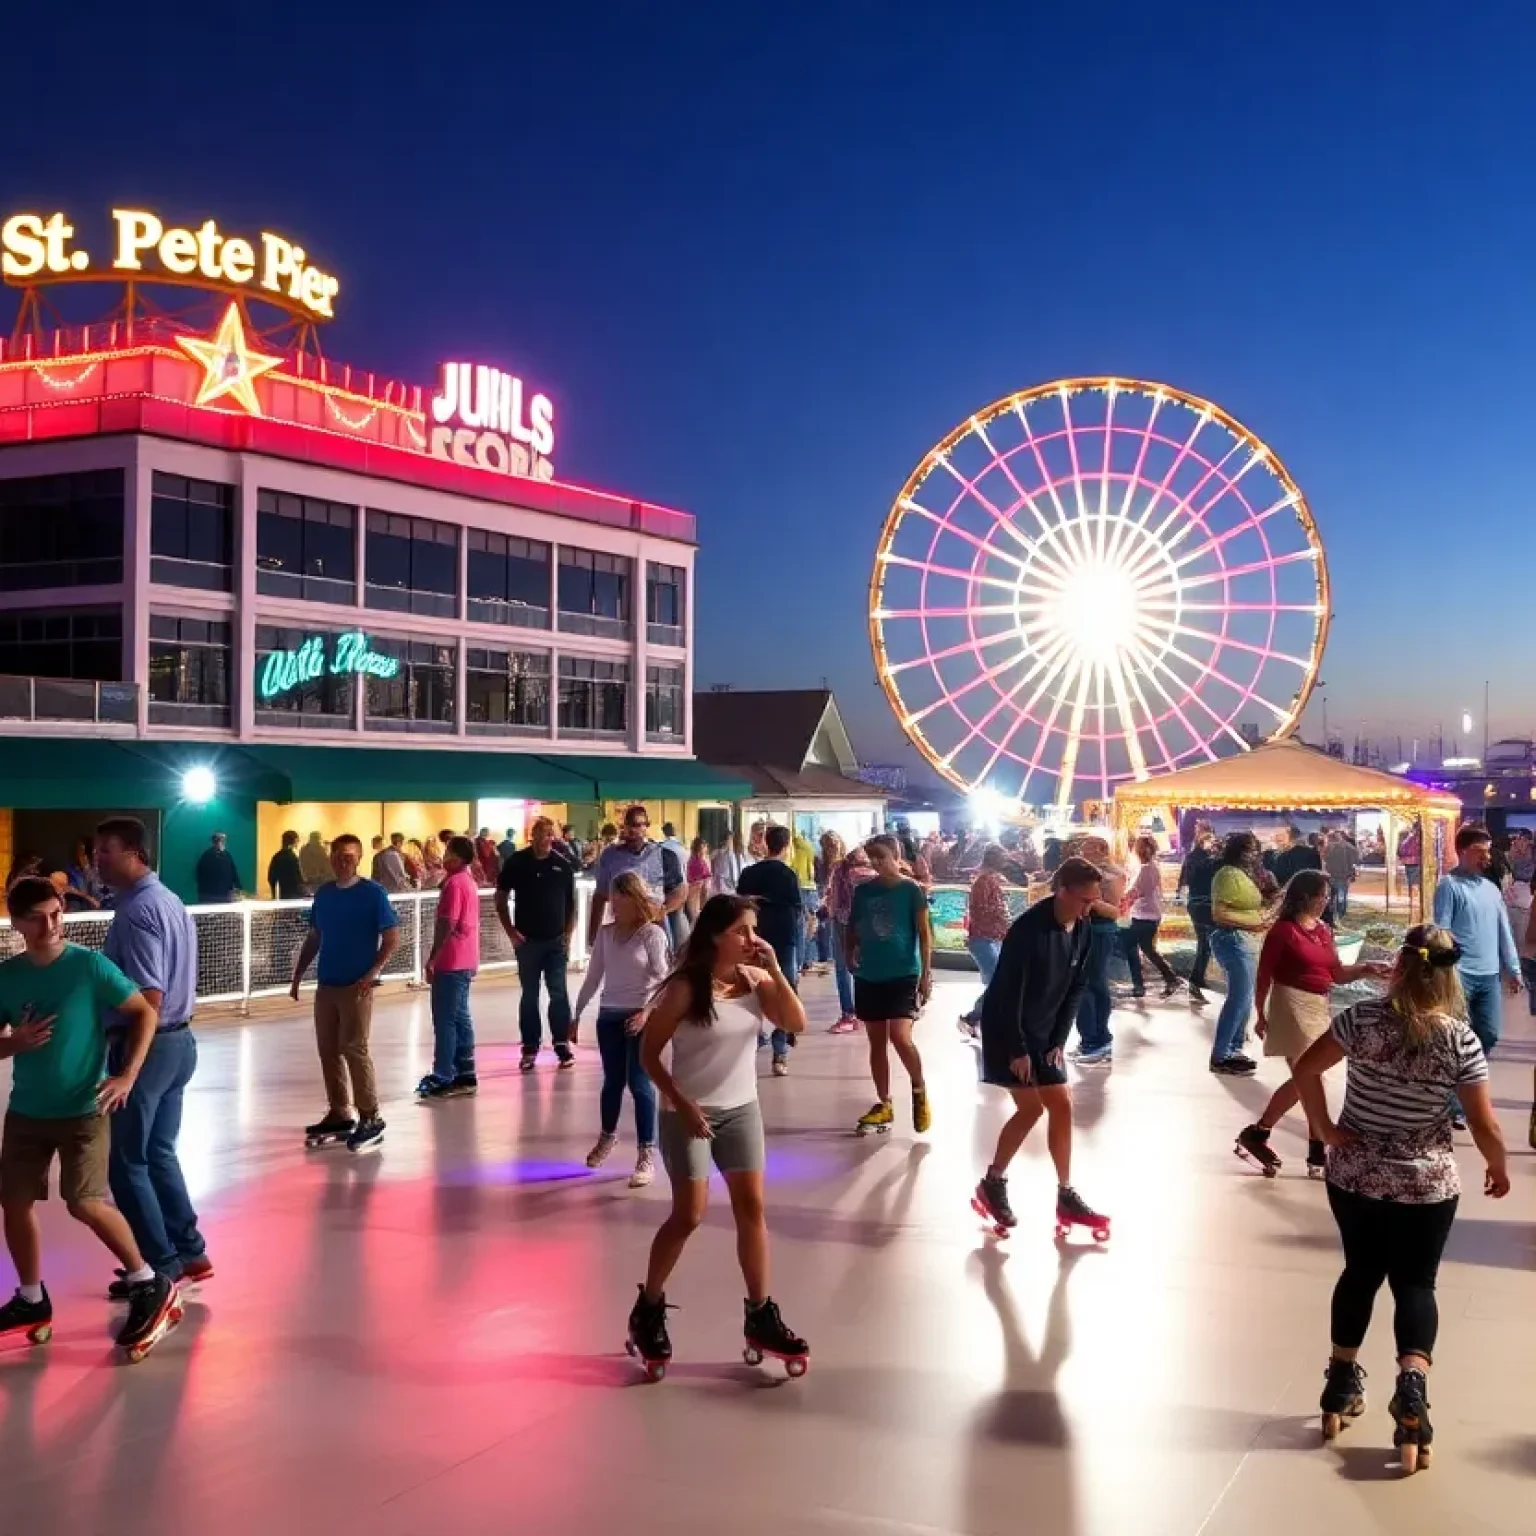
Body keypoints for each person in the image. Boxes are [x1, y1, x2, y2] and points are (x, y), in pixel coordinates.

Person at [1292, 924, 1509, 1470]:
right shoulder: (1458, 1038)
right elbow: (1483, 1123)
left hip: (1355, 1175)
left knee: (1360, 1273)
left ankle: (1340, 1382)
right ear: (1447, 975)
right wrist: (1498, 1167)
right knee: (1416, 1282)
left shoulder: (1360, 1019)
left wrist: (1322, 1126)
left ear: (1400, 967)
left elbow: (1306, 1068)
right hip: (1425, 1184)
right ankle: (1411, 1392)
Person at [628, 895, 809, 1377]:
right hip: (688, 1113)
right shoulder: (688, 988)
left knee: (752, 1208)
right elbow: (648, 1055)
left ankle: (760, 1313)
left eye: (754, 930)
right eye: (742, 932)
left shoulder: (755, 980)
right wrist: (682, 1103)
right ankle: (648, 1307)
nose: (752, 940)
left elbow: (796, 1024)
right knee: (689, 1214)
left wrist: (775, 970)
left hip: (741, 1109)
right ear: (714, 936)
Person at [0, 876, 179, 1356]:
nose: (50, 925)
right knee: (13, 1203)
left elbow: (144, 1012)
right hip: (27, 1111)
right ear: (16, 922)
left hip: (84, 1109)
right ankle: (32, 1298)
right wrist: (13, 1043)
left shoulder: (90, 967)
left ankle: (148, 1281)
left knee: (84, 1201)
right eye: (36, 917)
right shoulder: (7, 976)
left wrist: (126, 1076)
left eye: (56, 913)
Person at [95, 817, 212, 1297]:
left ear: (135, 854)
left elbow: (150, 998)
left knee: (127, 1163)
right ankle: (190, 1250)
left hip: (148, 1047)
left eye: (106, 851)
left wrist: (128, 1068)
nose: (97, 859)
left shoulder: (139, 911)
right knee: (159, 1153)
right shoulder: (171, 902)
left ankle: (160, 1266)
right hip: (179, 1046)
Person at [972, 857, 1109, 1238]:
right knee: (1031, 1108)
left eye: (1093, 902)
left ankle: (1065, 1193)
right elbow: (1006, 992)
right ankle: (992, 1183)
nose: (1088, 909)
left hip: (1045, 1031)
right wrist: (1017, 1048)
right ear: (1062, 891)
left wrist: (1059, 1040)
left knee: (1060, 1105)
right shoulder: (1028, 930)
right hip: (1008, 1030)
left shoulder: (1082, 928)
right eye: (1084, 900)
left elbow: (1077, 985)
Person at [1235, 870, 1390, 1178]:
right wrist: (1260, 1013)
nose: (1326, 902)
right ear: (1306, 896)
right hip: (1290, 1003)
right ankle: (1316, 1150)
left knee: (1308, 1077)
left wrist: (1368, 970)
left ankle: (1259, 1133)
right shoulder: (1283, 931)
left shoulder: (1322, 930)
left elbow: (1336, 973)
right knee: (1311, 1075)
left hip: (1318, 1005)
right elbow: (1264, 974)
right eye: (1323, 896)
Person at [288, 833, 399, 1153]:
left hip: (356, 986)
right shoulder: (324, 895)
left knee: (355, 1048)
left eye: (349, 856)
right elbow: (315, 936)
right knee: (328, 1050)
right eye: (337, 855)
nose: (342, 861)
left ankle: (370, 1116)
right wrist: (298, 975)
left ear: (359, 858)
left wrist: (372, 972)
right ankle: (340, 1110)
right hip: (328, 984)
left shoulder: (373, 894)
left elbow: (391, 937)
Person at [573, 872, 671, 1188]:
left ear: (635, 898)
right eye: (613, 896)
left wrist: (646, 1012)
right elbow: (593, 977)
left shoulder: (652, 935)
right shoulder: (606, 934)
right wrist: (576, 1014)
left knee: (640, 1082)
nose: (614, 902)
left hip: (640, 1014)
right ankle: (607, 1136)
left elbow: (664, 980)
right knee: (612, 1082)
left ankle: (646, 1153)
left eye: (620, 896)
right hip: (609, 1015)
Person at [847, 834, 933, 1135]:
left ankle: (919, 1088)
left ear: (896, 857)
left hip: (903, 973)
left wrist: (925, 974)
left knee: (900, 1035)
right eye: (872, 858)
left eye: (882, 857)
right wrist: (849, 952)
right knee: (876, 1041)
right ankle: (884, 1102)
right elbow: (854, 926)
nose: (877, 864)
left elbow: (923, 933)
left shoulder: (911, 891)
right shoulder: (863, 892)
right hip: (870, 973)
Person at [1432, 824, 1521, 1074]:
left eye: (1488, 852)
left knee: (1489, 1034)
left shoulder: (1491, 889)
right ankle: (1456, 1101)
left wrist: (1513, 969)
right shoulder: (1449, 885)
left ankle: (1466, 1082)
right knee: (1456, 1038)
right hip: (1460, 975)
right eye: (1479, 851)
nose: (1486, 857)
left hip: (1490, 976)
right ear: (1461, 851)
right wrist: (1443, 971)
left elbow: (1504, 931)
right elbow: (1442, 930)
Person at [497, 816, 579, 1071]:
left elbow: (571, 905)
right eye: (542, 833)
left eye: (550, 834)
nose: (547, 839)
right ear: (533, 835)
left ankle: (561, 1043)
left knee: (558, 993)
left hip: (555, 943)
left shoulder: (562, 866)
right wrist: (511, 931)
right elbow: (500, 897)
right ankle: (530, 1046)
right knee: (530, 995)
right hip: (528, 942)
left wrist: (567, 936)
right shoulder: (517, 862)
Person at [737, 825, 806, 1075]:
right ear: (786, 846)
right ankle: (780, 1054)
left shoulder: (748, 873)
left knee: (750, 990)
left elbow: (739, 907)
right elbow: (797, 911)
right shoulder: (788, 875)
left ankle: (751, 1044)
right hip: (783, 941)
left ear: (766, 843)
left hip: (752, 940)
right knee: (783, 990)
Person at [418, 836, 481, 1100]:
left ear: (456, 856)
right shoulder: (468, 881)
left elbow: (447, 922)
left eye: (448, 852)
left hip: (451, 959)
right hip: (466, 958)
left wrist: (433, 957)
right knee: (459, 1015)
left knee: (444, 1018)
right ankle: (465, 1069)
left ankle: (444, 1072)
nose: (445, 857)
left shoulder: (455, 884)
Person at [1207, 831, 1269, 1075]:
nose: (1252, 854)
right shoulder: (1226, 874)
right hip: (1234, 940)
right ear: (1236, 851)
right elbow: (1219, 914)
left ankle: (1234, 1049)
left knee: (1244, 1000)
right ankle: (1220, 1055)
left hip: (1247, 941)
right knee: (1239, 998)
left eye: (1254, 849)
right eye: (1247, 849)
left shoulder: (1243, 874)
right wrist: (1253, 923)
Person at [588, 805, 686, 945]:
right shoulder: (610, 857)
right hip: (622, 932)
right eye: (630, 825)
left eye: (639, 825)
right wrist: (593, 936)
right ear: (624, 827)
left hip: (655, 930)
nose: (633, 831)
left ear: (647, 826)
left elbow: (680, 891)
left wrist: (663, 909)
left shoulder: (664, 856)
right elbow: (600, 897)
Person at [1067, 835, 1124, 1066]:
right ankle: (1091, 1039)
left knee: (1091, 985)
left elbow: (1114, 911)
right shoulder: (1086, 872)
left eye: (1087, 847)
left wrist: (1090, 902)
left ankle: (1096, 1041)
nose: (1082, 849)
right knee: (1087, 984)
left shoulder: (1112, 875)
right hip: (1084, 930)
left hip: (1099, 932)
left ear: (1101, 849)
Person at [1121, 833, 1181, 999]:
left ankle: (1139, 985)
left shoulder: (1146, 870)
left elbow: (1135, 892)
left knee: (1129, 946)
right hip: (1149, 914)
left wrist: (1122, 898)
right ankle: (1169, 978)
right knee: (1147, 949)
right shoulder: (1151, 867)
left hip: (1143, 916)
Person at [960, 845, 1012, 1034]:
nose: (1005, 862)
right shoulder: (983, 882)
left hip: (992, 937)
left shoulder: (990, 880)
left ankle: (979, 1018)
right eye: (1003, 858)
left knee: (999, 982)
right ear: (994, 859)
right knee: (998, 983)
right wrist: (1000, 916)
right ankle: (973, 1018)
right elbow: (978, 910)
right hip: (983, 938)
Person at [827, 843, 875, 1033]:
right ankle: (863, 1012)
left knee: (843, 968)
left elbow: (836, 899)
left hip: (843, 922)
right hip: (865, 924)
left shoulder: (841, 869)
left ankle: (850, 1014)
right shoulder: (873, 871)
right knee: (861, 967)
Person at [1178, 825, 1220, 1004]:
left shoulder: (1191, 858)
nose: (1213, 844)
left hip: (1195, 903)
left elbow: (1184, 880)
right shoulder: (1207, 860)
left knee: (1204, 943)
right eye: (1211, 841)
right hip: (1204, 904)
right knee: (1205, 943)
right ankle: (1196, 979)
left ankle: (1197, 977)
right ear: (1203, 842)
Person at [194, 832, 240, 904]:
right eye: (220, 840)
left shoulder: (226, 855)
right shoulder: (207, 855)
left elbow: (233, 872)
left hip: (223, 894)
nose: (221, 843)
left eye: (223, 840)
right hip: (210, 896)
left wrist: (237, 887)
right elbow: (200, 874)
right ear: (215, 842)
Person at [1324, 830, 1359, 919]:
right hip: (1341, 877)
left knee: (1331, 897)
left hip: (1330, 876)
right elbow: (1355, 860)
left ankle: (1331, 915)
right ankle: (1340, 915)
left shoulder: (1328, 847)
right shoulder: (1348, 847)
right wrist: (1351, 874)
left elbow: (1324, 860)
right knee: (1341, 897)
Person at [267, 830, 305, 900]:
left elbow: (271, 877)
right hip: (294, 894)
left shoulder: (277, 856)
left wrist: (274, 894)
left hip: (282, 894)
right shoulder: (293, 858)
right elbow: (298, 877)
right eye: (297, 841)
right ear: (294, 841)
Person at [685, 836, 712, 921]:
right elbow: (704, 881)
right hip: (696, 892)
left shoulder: (694, 860)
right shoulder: (698, 862)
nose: (706, 848)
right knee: (695, 917)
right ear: (700, 848)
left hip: (695, 892)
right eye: (704, 846)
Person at [710, 832, 743, 897]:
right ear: (724, 840)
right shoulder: (718, 852)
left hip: (734, 884)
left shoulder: (737, 855)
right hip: (721, 884)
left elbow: (738, 869)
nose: (730, 841)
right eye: (729, 839)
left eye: (731, 839)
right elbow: (711, 859)